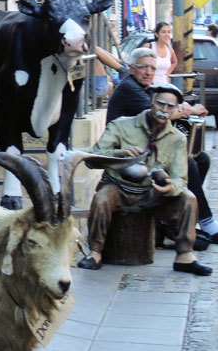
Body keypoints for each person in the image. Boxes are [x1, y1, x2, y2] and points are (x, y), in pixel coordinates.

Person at [77, 81, 212, 276]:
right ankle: (95, 252)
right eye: (160, 104)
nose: (164, 110)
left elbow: (180, 177)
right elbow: (92, 158)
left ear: (175, 109)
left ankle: (184, 255)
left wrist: (169, 187)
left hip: (152, 191)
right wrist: (119, 154)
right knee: (102, 198)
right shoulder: (122, 125)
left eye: (170, 106)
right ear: (151, 101)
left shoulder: (176, 139)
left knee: (188, 198)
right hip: (119, 187)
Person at [105, 47, 218, 244]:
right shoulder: (130, 89)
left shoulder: (142, 88)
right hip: (129, 156)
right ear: (132, 69)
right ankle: (204, 222)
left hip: (146, 148)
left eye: (152, 68)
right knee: (188, 164)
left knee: (202, 159)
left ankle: (178, 217)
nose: (148, 72)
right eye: (143, 67)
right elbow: (158, 115)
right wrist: (187, 109)